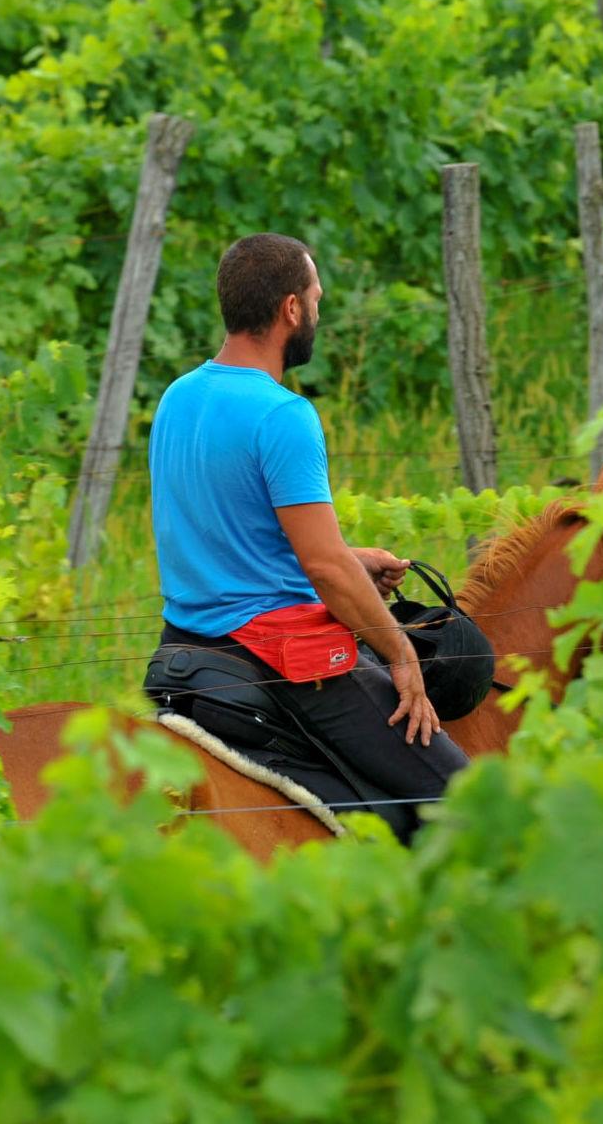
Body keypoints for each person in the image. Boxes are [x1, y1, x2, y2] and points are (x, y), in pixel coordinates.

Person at [142, 233, 469, 843]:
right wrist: (399, 654)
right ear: (291, 309)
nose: (319, 309)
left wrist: (353, 559)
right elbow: (323, 568)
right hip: (280, 663)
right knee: (466, 801)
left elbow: (233, 533)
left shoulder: (177, 398)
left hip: (184, 649)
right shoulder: (283, 415)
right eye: (316, 297)